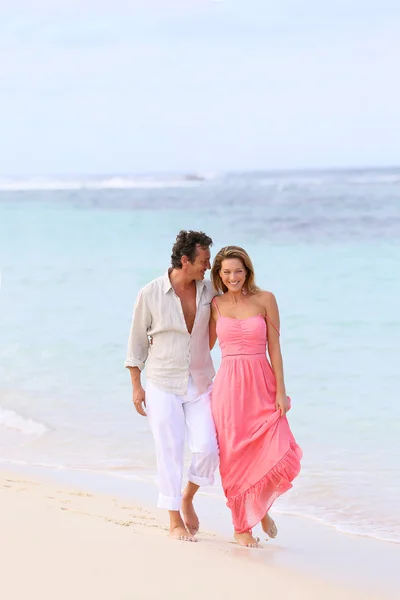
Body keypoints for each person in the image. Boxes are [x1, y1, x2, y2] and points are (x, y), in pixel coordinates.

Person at [125, 230, 219, 542]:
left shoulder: (209, 290)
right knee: (169, 451)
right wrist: (137, 387)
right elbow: (136, 344)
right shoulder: (150, 293)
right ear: (185, 260)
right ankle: (173, 519)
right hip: (162, 382)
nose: (208, 266)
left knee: (207, 447)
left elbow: (222, 323)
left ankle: (187, 496)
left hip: (201, 381)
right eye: (204, 261)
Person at [209, 246, 302, 548]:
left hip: (261, 383)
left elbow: (275, 348)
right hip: (228, 388)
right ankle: (241, 527)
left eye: (238, 271)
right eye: (226, 272)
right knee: (234, 455)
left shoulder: (266, 300)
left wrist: (281, 391)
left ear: (247, 271)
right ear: (218, 275)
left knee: (273, 446)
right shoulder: (215, 304)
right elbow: (201, 345)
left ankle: (261, 510)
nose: (232, 277)